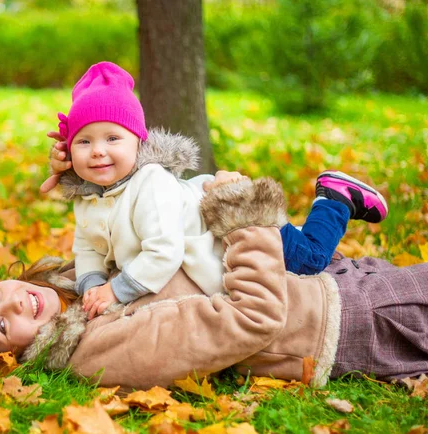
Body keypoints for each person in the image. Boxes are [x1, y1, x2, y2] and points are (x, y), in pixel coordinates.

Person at [0, 173, 428, 389]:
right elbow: (253, 319)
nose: (18, 303)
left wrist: (81, 166)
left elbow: (139, 201)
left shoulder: (78, 288)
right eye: (2, 326)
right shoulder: (97, 346)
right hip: (340, 323)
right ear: (6, 357)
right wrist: (244, 220)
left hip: (331, 283)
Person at [40, 61, 388, 319]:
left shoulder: (150, 183)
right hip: (219, 225)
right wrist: (91, 287)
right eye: (84, 142)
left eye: (112, 138)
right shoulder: (89, 197)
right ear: (70, 152)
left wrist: (115, 290)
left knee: (307, 261)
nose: (98, 151)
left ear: (138, 143)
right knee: (299, 258)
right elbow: (86, 245)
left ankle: (334, 198)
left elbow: (164, 252)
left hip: (237, 221)